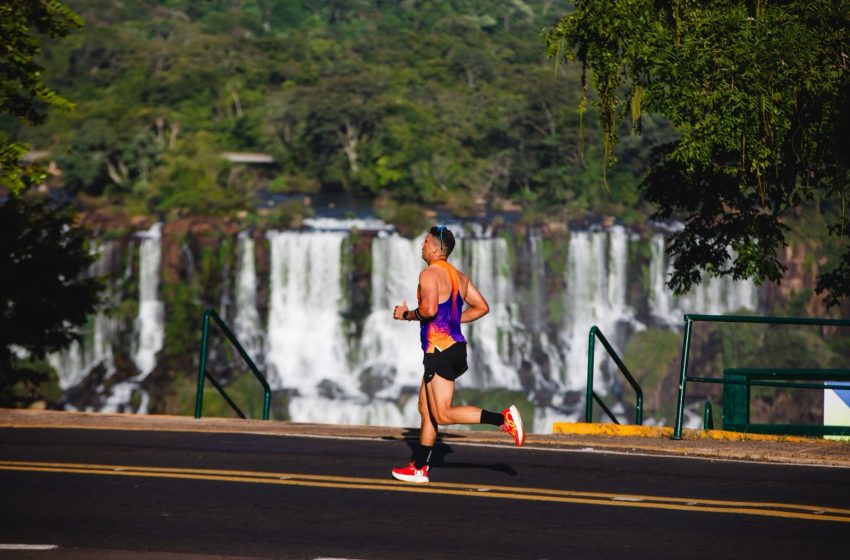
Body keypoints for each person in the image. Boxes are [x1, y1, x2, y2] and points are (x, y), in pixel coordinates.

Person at [391, 225, 525, 484]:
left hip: (439, 350)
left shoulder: (429, 274)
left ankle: (502, 419)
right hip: (452, 346)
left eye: (425, 241)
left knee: (441, 413)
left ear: (434, 247)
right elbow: (482, 307)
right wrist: (454, 320)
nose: (421, 245)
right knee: (425, 409)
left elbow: (428, 310)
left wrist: (406, 315)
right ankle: (419, 467)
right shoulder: (459, 277)